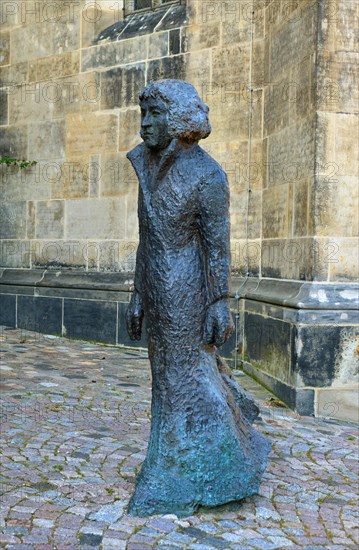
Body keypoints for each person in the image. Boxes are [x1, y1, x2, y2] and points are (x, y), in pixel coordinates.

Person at [126, 79, 270, 517]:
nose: (144, 124)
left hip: (187, 290)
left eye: (154, 114)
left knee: (183, 379)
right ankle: (192, 460)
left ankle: (175, 472)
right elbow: (145, 238)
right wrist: (137, 293)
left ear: (178, 119)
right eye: (143, 114)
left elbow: (216, 244)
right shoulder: (146, 166)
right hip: (157, 284)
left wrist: (219, 301)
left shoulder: (207, 174)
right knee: (171, 379)